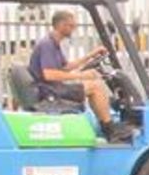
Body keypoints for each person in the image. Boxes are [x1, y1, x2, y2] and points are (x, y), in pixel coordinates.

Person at [28, 9, 135, 143]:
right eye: (71, 26)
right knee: (95, 87)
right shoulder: (47, 44)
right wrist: (82, 75)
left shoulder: (53, 44)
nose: (73, 29)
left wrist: (91, 55)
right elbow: (49, 75)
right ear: (61, 25)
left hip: (52, 87)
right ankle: (110, 129)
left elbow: (66, 67)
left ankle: (107, 125)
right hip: (48, 90)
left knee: (94, 85)